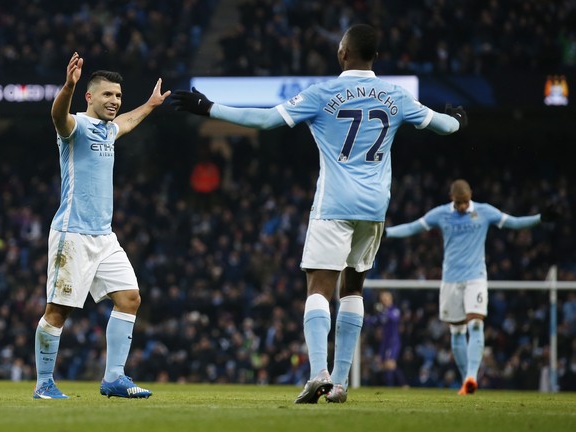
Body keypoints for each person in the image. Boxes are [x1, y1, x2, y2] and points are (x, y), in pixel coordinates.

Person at [170, 23, 467, 403]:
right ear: (375, 56)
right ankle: (340, 383)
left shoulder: (324, 94)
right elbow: (443, 126)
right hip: (375, 208)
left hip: (334, 206)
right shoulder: (396, 96)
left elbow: (264, 120)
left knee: (318, 288)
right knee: (354, 288)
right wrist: (458, 120)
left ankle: (318, 373)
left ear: (343, 53)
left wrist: (208, 107)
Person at [33, 52, 170, 399]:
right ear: (89, 96)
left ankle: (114, 378)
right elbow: (56, 115)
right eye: (107, 95)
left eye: (118, 96)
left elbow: (127, 121)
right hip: (72, 234)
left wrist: (150, 105)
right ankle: (44, 384)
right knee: (58, 311)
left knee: (130, 298)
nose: (114, 101)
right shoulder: (75, 126)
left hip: (104, 237)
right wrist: (68, 85)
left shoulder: (109, 130)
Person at [383, 178, 561, 395]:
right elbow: (413, 227)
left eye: (466, 202)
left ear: (470, 197)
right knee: (457, 331)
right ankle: (465, 381)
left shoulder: (484, 212)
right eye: (459, 203)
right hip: (450, 280)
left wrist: (540, 218)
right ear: (452, 199)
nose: (463, 207)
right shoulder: (440, 214)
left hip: (476, 277)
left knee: (476, 325)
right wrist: (388, 232)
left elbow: (513, 222)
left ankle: (471, 377)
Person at [366, 290, 406, 387]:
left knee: (390, 364)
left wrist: (383, 312)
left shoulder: (394, 310)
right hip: (385, 342)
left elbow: (394, 318)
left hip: (393, 342)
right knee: (383, 365)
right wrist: (365, 318)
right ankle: (390, 387)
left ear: (391, 299)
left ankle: (404, 384)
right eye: (383, 299)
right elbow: (373, 321)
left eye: (386, 298)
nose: (384, 300)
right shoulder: (381, 313)